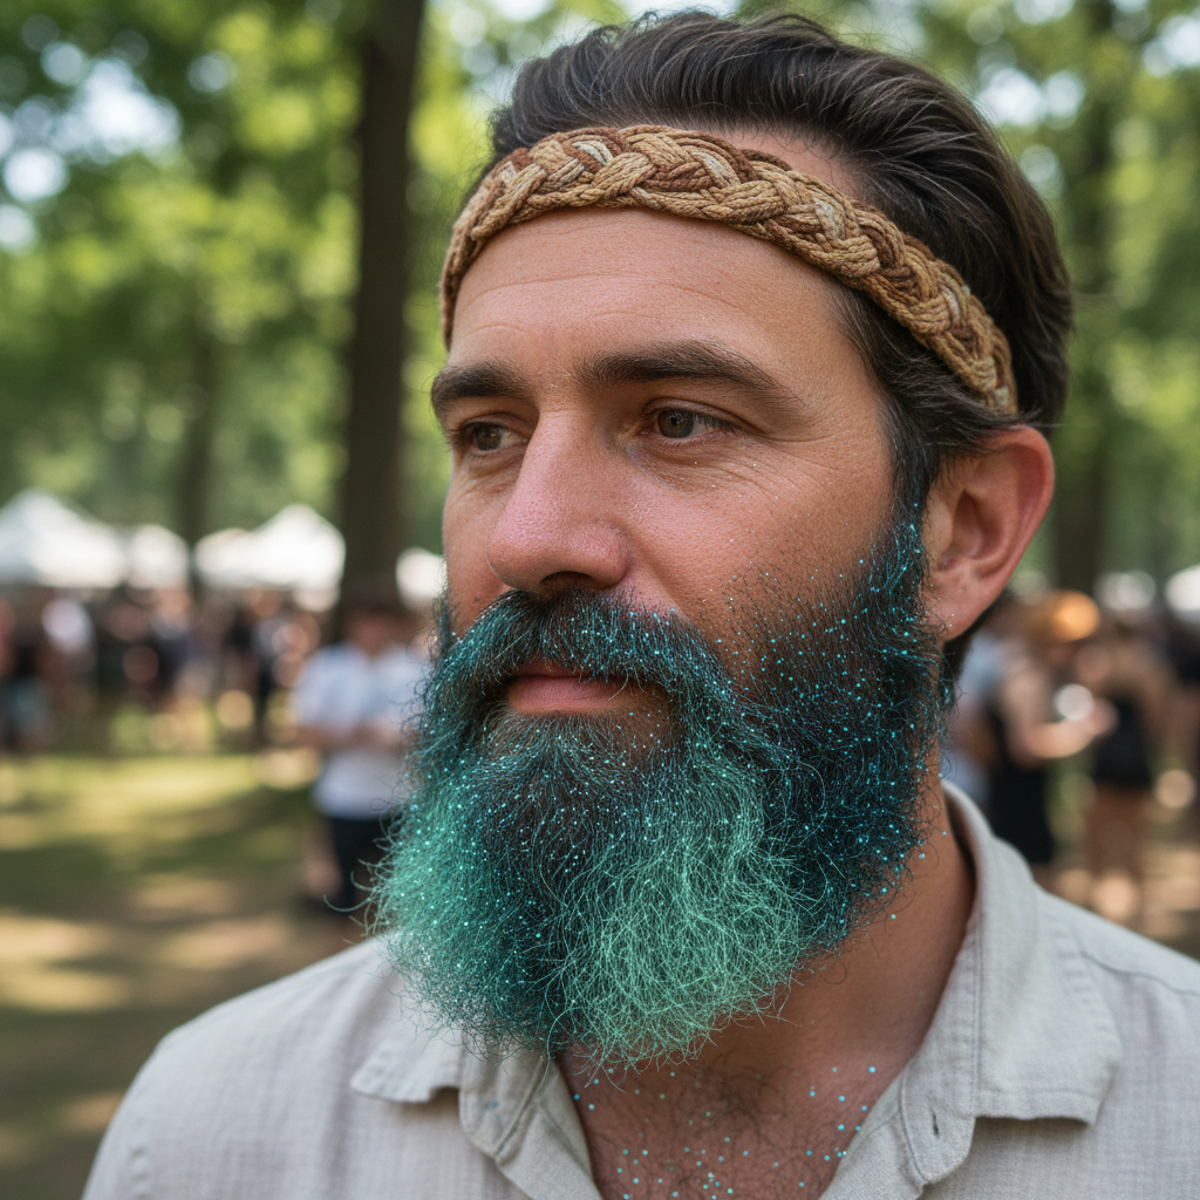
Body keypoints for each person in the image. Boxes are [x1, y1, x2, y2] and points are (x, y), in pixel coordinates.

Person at [83, 13, 1200, 1199]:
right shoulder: (216, 1136)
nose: (526, 539)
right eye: (489, 435)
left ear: (964, 530)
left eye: (680, 419)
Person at [290, 588, 426, 913]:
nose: (375, 631)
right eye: (368, 621)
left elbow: (432, 735)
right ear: (354, 624)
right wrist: (352, 734)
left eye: (382, 621)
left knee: (403, 904)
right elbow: (302, 731)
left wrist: (403, 740)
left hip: (400, 799)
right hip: (344, 798)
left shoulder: (414, 668)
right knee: (341, 902)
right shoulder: (327, 667)